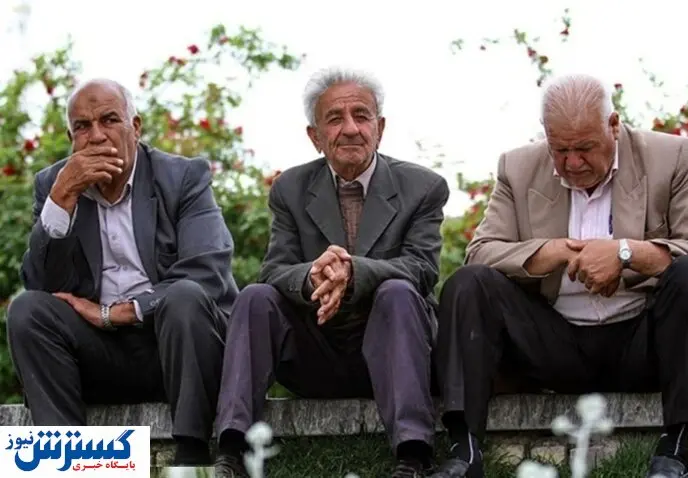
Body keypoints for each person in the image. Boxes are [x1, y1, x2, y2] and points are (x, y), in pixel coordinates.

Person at [431, 74, 688, 478]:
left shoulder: (670, 156)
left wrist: (626, 253)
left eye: (584, 148)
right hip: (553, 340)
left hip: (643, 340)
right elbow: (480, 252)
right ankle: (464, 452)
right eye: (560, 150)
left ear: (613, 125)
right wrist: (551, 252)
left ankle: (674, 450)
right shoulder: (517, 167)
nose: (572, 163)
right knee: (468, 284)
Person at [214, 67, 450, 478]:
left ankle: (414, 456)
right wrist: (313, 276)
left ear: (380, 127)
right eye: (335, 119)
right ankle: (231, 451)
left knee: (398, 290)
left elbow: (422, 268)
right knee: (254, 296)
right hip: (317, 351)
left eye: (362, 116)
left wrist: (353, 272)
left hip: (395, 350)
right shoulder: (290, 188)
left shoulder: (423, 187)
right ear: (315, 136)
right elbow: (275, 269)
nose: (351, 129)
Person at [6, 79, 238, 466]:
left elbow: (207, 273)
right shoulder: (54, 185)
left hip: (178, 349)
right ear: (71, 138)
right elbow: (43, 287)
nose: (97, 136)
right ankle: (67, 464)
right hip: (100, 356)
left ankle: (191, 455)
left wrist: (116, 313)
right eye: (82, 126)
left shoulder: (182, 177)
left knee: (184, 296)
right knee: (27, 309)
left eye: (110, 120)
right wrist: (62, 199)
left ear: (136, 127)